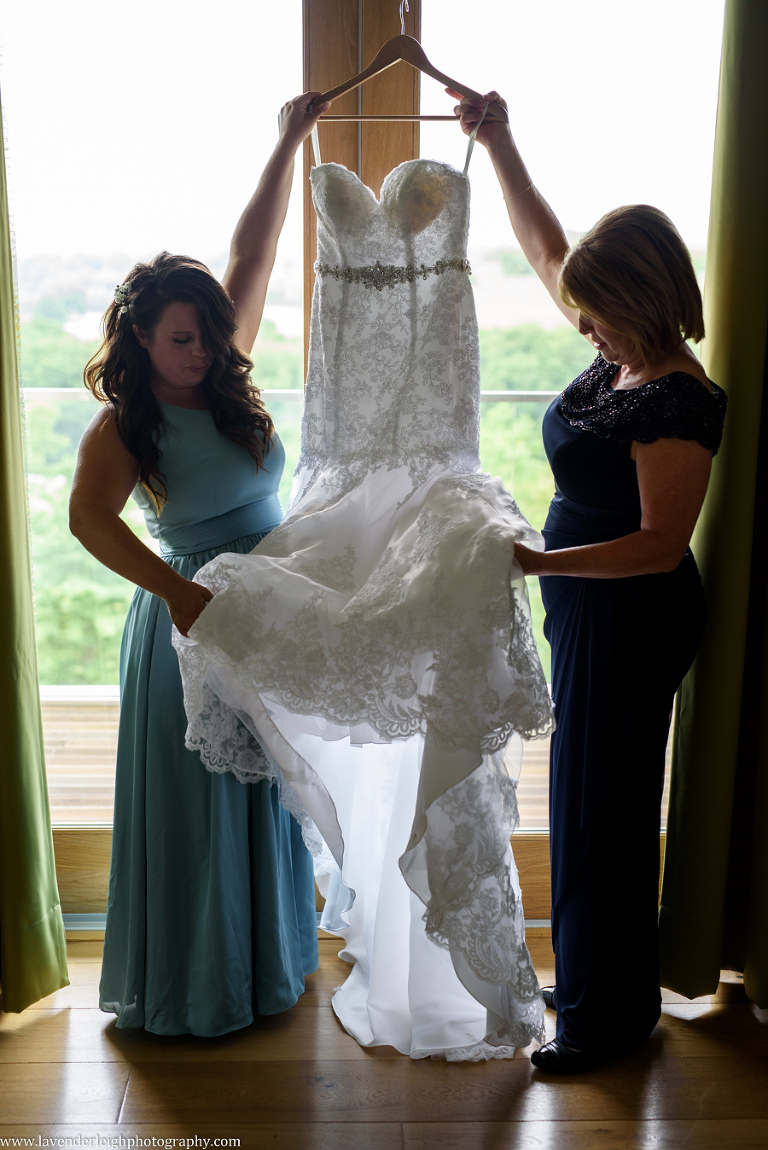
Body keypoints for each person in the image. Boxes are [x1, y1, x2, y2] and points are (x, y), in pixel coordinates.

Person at [170, 107, 555, 1057]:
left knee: (433, 716)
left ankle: (442, 960)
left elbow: (552, 257)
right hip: (342, 471)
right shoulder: (282, 234)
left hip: (433, 469)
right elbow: (247, 262)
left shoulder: (467, 173)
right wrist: (280, 141)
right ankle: (383, 929)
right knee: (335, 680)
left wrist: (499, 143)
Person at [452, 90, 727, 1072]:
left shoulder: (679, 399)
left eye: (601, 315)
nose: (586, 327)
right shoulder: (620, 357)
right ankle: (597, 978)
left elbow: (658, 542)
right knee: (585, 796)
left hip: (632, 610)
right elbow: (548, 250)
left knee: (604, 807)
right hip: (590, 606)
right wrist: (501, 141)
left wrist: (535, 559)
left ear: (646, 305)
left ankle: (607, 1023)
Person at [68, 93, 330, 1036]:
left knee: (266, 791)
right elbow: (87, 520)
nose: (202, 351)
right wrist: (178, 592)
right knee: (202, 806)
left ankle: (267, 969)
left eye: (210, 334)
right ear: (140, 337)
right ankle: (198, 988)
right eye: (182, 338)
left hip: (268, 609)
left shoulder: (224, 375)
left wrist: (288, 142)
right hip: (192, 615)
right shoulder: (125, 423)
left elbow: (253, 256)